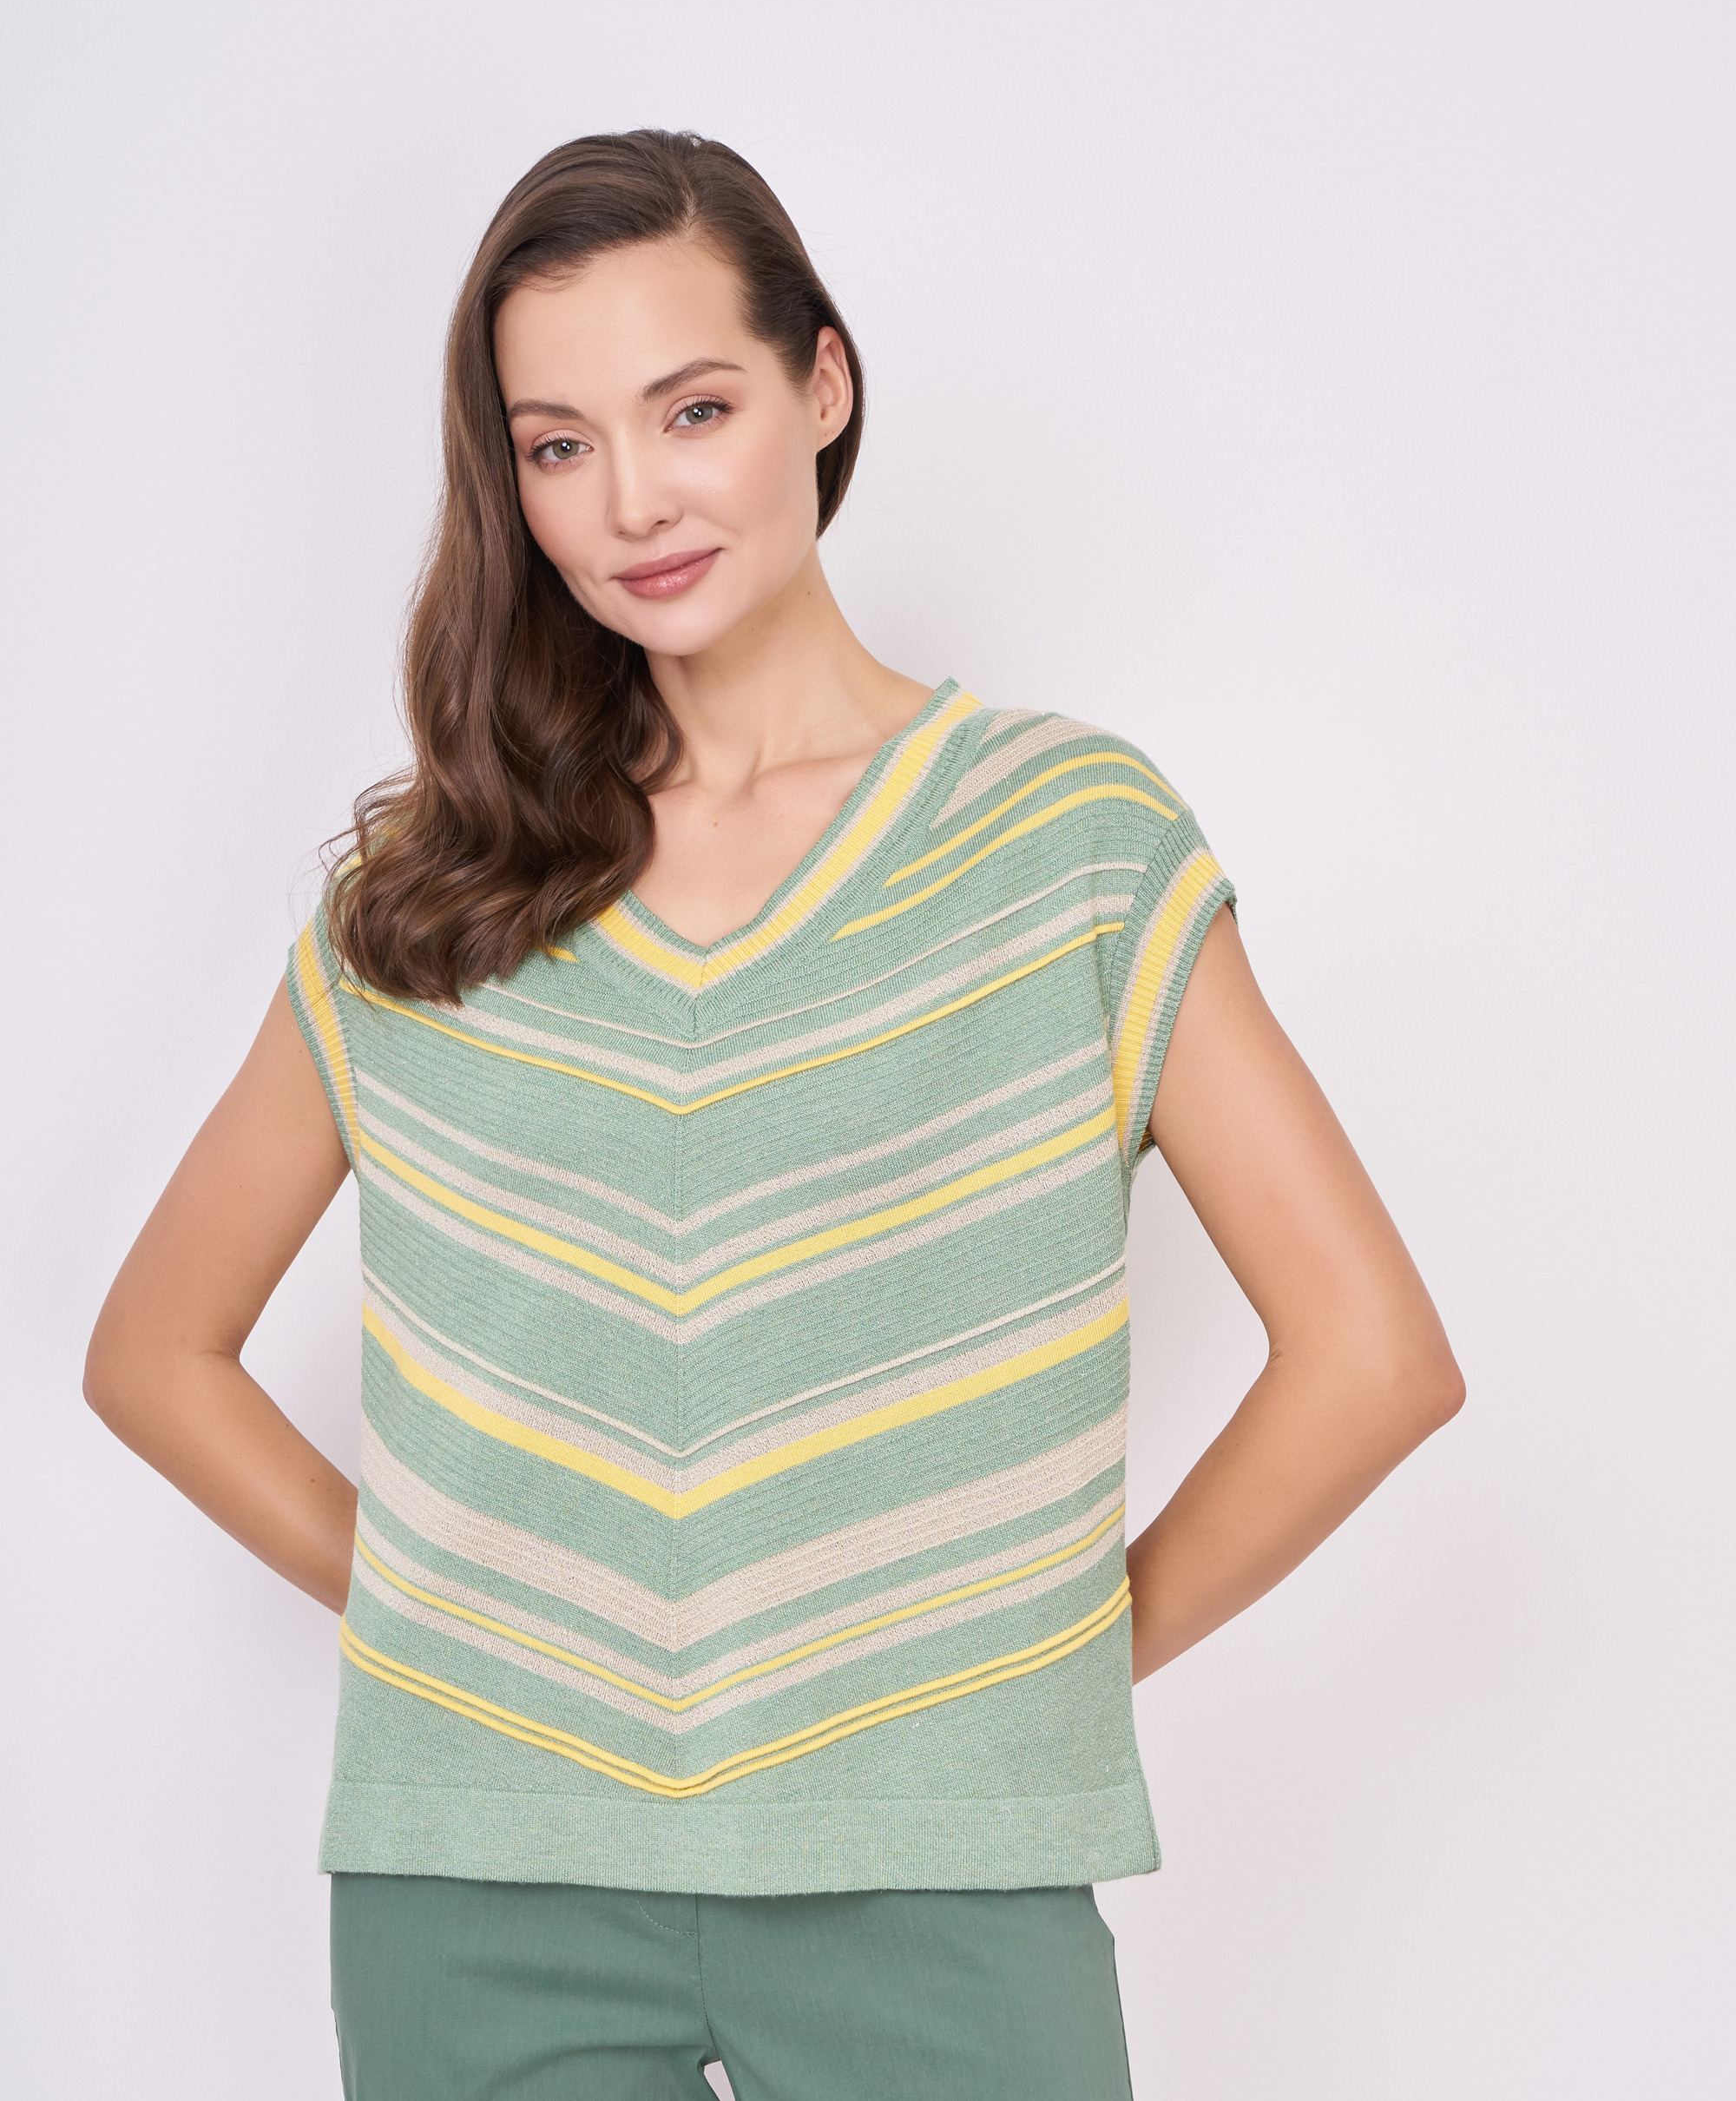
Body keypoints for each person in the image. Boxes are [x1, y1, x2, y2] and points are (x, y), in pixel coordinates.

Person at [84, 128, 1465, 2100]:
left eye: (694, 409)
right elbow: (154, 1350)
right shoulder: (436, 889)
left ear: (823, 386)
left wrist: (1029, 1680)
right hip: (480, 1891)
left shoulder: (1065, 842)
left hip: (941, 1885)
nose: (633, 499)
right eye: (557, 444)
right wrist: (455, 1634)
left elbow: (1375, 1358)